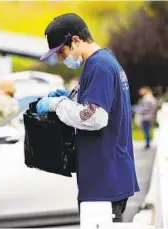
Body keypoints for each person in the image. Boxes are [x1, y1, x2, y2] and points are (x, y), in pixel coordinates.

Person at [36, 13, 140, 222]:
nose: (60, 59)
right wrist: (70, 98)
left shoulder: (98, 66)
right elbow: (97, 105)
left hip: (104, 180)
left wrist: (58, 105)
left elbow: (94, 117)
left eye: (61, 52)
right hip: (107, 176)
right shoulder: (104, 60)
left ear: (75, 40)